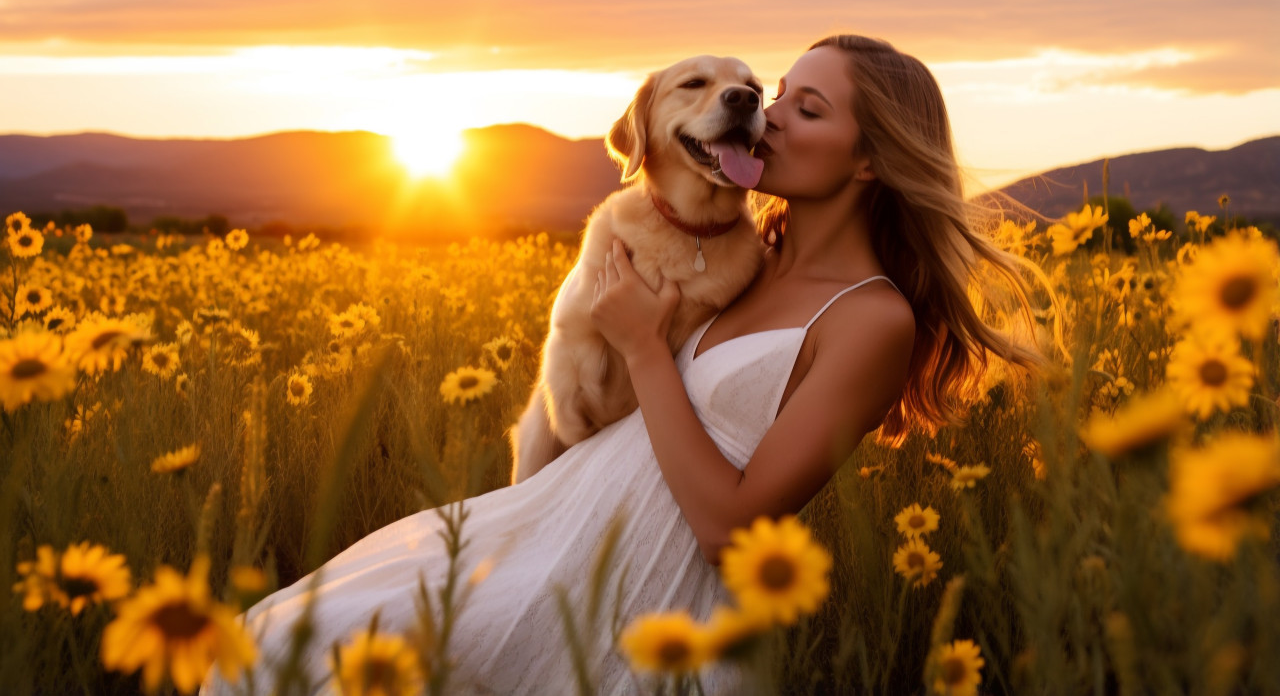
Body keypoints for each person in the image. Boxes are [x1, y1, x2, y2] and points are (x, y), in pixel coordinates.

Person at [200, 34, 1048, 696]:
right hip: (558, 529)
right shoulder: (744, 259)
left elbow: (731, 532)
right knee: (277, 643)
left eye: (810, 109)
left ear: (870, 160)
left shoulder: (871, 317)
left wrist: (645, 346)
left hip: (652, 594)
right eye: (782, 93)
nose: (771, 113)